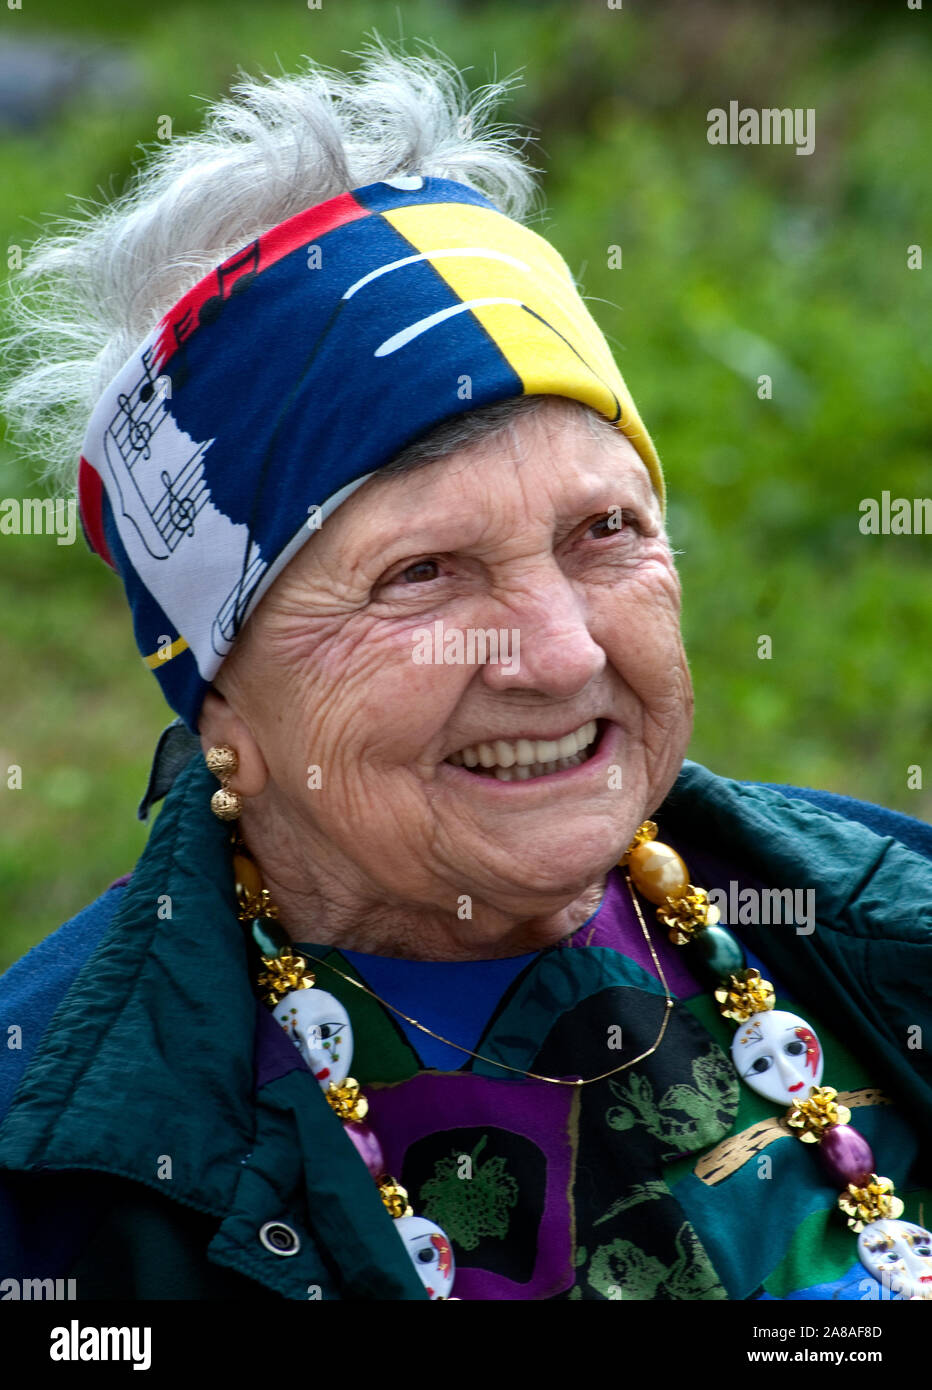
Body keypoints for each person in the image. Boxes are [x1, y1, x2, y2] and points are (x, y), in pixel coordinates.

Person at [0, 40, 929, 1303]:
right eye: (422, 573)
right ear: (224, 703)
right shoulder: (58, 1184)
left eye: (602, 533)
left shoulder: (882, 933)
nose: (558, 652)